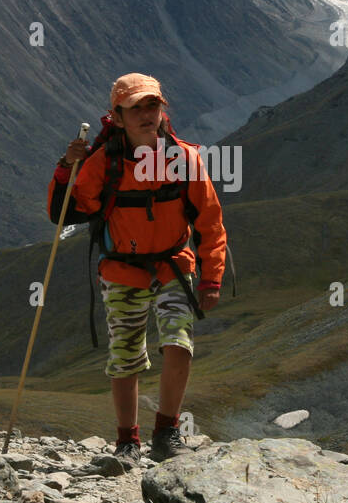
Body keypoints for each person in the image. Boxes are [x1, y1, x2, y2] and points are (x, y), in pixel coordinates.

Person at [46, 73, 227, 467]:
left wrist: (212, 278)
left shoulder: (186, 161)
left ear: (163, 109)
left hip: (174, 266)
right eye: (136, 108)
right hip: (123, 270)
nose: (147, 114)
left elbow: (211, 225)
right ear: (118, 115)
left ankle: (166, 432)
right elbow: (68, 211)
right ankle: (127, 441)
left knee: (179, 343)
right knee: (125, 356)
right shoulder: (102, 164)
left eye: (153, 105)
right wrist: (66, 167)